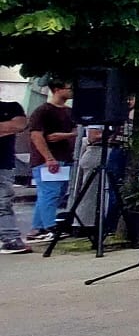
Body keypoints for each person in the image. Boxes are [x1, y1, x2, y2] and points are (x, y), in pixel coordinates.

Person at [26, 79, 76, 242]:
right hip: (47, 159)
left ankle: (37, 228)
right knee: (50, 192)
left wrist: (65, 136)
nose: (71, 91)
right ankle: (49, 226)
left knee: (55, 193)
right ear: (57, 89)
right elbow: (36, 135)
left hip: (64, 156)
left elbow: (76, 130)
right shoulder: (43, 111)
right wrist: (48, 158)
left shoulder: (69, 112)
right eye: (68, 88)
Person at [0, 97, 31, 254]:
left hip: (3, 164)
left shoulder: (12, 107)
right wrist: (6, 127)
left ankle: (10, 238)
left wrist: (9, 127)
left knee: (3, 202)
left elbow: (20, 125)